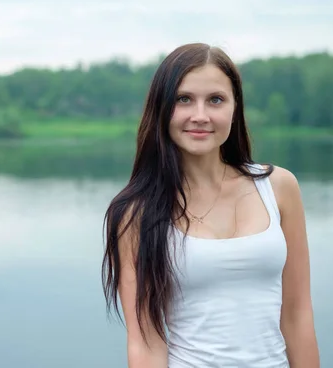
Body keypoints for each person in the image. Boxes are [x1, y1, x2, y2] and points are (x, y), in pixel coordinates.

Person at [102, 43, 320, 367]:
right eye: (183, 99)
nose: (200, 116)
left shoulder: (279, 188)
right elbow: (145, 343)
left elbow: (297, 316)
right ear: (162, 108)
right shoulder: (136, 213)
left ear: (235, 108)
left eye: (215, 100)